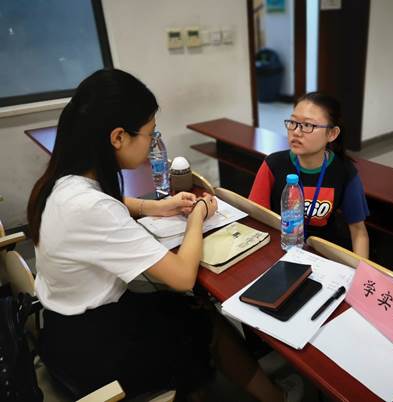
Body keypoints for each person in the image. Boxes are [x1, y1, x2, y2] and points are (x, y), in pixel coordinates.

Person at [27, 69, 300, 402]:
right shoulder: (91, 207)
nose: (153, 142)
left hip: (62, 330)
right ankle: (274, 397)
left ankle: (202, 383)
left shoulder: (61, 182)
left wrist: (153, 206)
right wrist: (198, 215)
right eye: (149, 133)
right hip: (94, 350)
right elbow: (183, 276)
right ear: (118, 137)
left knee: (188, 307)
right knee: (200, 315)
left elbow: (106, 203)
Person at [249, 92, 369, 257]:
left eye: (308, 125)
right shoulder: (273, 165)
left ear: (332, 134)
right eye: (293, 122)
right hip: (279, 248)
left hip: (322, 255)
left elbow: (359, 232)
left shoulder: (345, 172)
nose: (296, 132)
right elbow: (255, 219)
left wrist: (360, 270)